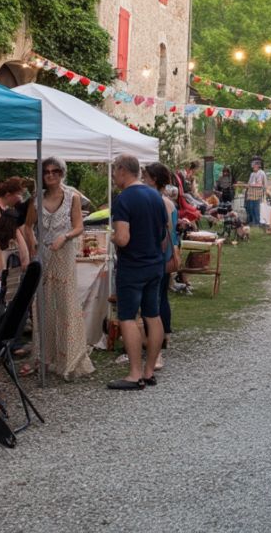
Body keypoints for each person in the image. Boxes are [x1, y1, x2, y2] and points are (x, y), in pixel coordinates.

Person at [24, 157, 93, 381]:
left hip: (63, 254)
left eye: (55, 171)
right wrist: (32, 244)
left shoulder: (72, 197)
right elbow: (27, 226)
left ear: (62, 173)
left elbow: (79, 227)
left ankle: (70, 358)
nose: (51, 175)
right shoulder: (36, 200)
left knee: (65, 304)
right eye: (47, 172)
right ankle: (44, 356)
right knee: (43, 305)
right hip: (43, 255)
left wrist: (65, 236)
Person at [109, 155, 167, 389]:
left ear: (123, 170)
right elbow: (163, 236)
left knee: (128, 318)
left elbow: (123, 239)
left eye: (114, 171)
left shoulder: (123, 199)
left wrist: (112, 236)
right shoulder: (155, 195)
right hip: (155, 264)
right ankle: (149, 371)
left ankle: (134, 374)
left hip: (132, 267)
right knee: (153, 316)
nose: (113, 176)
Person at [141, 163, 180, 372]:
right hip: (166, 255)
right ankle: (164, 335)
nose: (143, 180)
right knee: (162, 296)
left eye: (145, 176)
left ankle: (155, 343)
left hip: (157, 255)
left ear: (153, 179)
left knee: (153, 301)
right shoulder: (170, 202)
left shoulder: (155, 201)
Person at [242, 157, 268, 229]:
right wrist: (243, 185)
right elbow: (249, 184)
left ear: (258, 165)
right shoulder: (252, 174)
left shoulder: (261, 173)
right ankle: (252, 222)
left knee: (256, 209)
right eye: (252, 164)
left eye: (253, 164)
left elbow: (259, 185)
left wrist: (249, 185)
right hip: (251, 194)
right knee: (250, 208)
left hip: (258, 194)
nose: (252, 166)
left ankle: (257, 223)